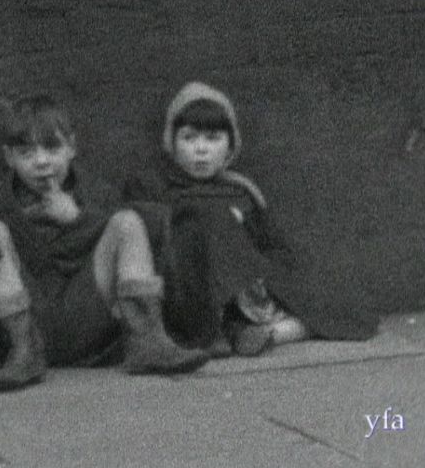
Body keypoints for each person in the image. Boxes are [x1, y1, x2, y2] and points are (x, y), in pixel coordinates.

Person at [0, 94, 208, 392]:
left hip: (88, 317)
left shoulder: (96, 192)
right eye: (26, 153)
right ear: (9, 158)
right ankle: (24, 349)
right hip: (28, 320)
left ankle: (148, 340)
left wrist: (75, 218)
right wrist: (15, 224)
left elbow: (116, 252)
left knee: (128, 221)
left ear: (71, 147)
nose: (41, 162)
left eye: (52, 147)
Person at [123, 81, 379, 357]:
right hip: (189, 296)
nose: (201, 150)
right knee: (204, 218)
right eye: (189, 138)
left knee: (337, 301)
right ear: (171, 142)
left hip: (249, 291)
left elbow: (274, 248)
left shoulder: (240, 191)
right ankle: (259, 329)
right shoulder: (152, 188)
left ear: (230, 144)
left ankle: (268, 332)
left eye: (212, 138)